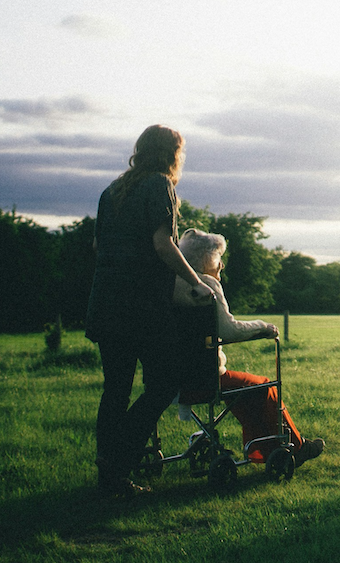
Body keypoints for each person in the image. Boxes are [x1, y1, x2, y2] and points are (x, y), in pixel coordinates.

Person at [85, 125, 215, 498]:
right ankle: (117, 461)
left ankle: (109, 475)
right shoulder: (160, 186)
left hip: (105, 302)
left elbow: (99, 245)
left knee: (116, 389)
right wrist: (196, 281)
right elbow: (164, 244)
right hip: (140, 307)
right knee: (163, 385)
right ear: (172, 153)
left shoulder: (111, 191)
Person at [172, 228, 325, 466]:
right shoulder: (206, 285)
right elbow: (229, 331)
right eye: (218, 258)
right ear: (206, 259)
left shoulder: (172, 285)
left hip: (174, 378)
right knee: (264, 386)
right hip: (205, 378)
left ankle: (263, 451)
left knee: (246, 389)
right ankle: (295, 447)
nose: (221, 265)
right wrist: (263, 327)